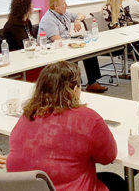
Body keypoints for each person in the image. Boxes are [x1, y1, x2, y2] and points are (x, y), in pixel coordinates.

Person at [7, 61, 127, 191]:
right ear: (75, 90)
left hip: (28, 187)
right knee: (116, 182)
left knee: (109, 178)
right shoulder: (88, 119)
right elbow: (108, 157)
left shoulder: (27, 115)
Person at [39, 0, 107, 93]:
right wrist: (74, 44)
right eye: (63, 4)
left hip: (66, 43)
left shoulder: (63, 14)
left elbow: (81, 14)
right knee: (75, 53)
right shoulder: (48, 19)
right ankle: (72, 86)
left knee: (89, 51)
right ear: (55, 6)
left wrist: (77, 20)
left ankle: (92, 82)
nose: (66, 5)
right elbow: (57, 40)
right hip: (54, 49)